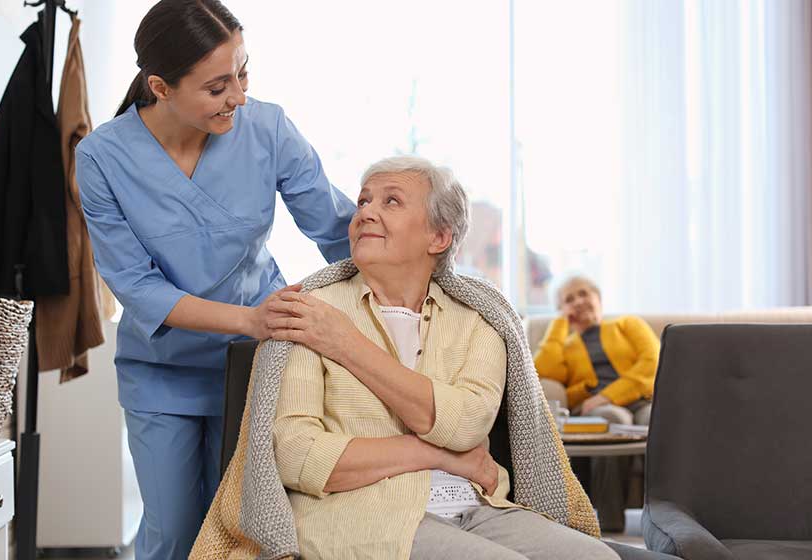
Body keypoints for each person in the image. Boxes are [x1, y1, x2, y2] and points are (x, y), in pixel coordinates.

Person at [75, 1, 354, 558]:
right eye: (218, 86)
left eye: (244, 72)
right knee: (176, 530)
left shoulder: (268, 128)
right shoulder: (101, 157)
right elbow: (134, 283)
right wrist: (250, 319)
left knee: (244, 529)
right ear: (160, 86)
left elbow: (334, 227)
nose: (240, 96)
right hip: (163, 371)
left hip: (256, 367)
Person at [266, 156, 617, 559]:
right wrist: (435, 455)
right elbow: (295, 453)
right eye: (363, 201)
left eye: (391, 202)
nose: (365, 213)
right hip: (364, 514)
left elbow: (466, 424)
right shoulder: (313, 312)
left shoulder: (480, 318)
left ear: (438, 238)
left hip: (479, 508)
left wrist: (347, 344)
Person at [533, 275, 660, 531]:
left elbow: (652, 362)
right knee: (613, 419)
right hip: (600, 410)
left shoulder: (627, 325)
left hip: (642, 399)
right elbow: (542, 371)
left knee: (655, 420)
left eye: (583, 294)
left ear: (598, 299)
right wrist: (559, 323)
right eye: (569, 300)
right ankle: (610, 523)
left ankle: (662, 518)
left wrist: (608, 395)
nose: (578, 302)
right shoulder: (566, 346)